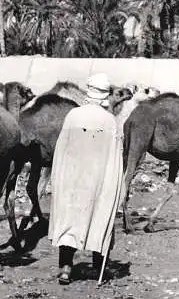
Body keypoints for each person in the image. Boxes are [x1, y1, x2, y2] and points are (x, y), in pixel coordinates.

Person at [48, 73, 124, 285]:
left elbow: (61, 149)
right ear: (105, 95)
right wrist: (117, 185)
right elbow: (115, 157)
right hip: (98, 180)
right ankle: (99, 267)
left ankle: (65, 269)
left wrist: (58, 178)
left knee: (69, 219)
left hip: (72, 178)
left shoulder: (73, 115)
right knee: (101, 217)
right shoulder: (110, 121)